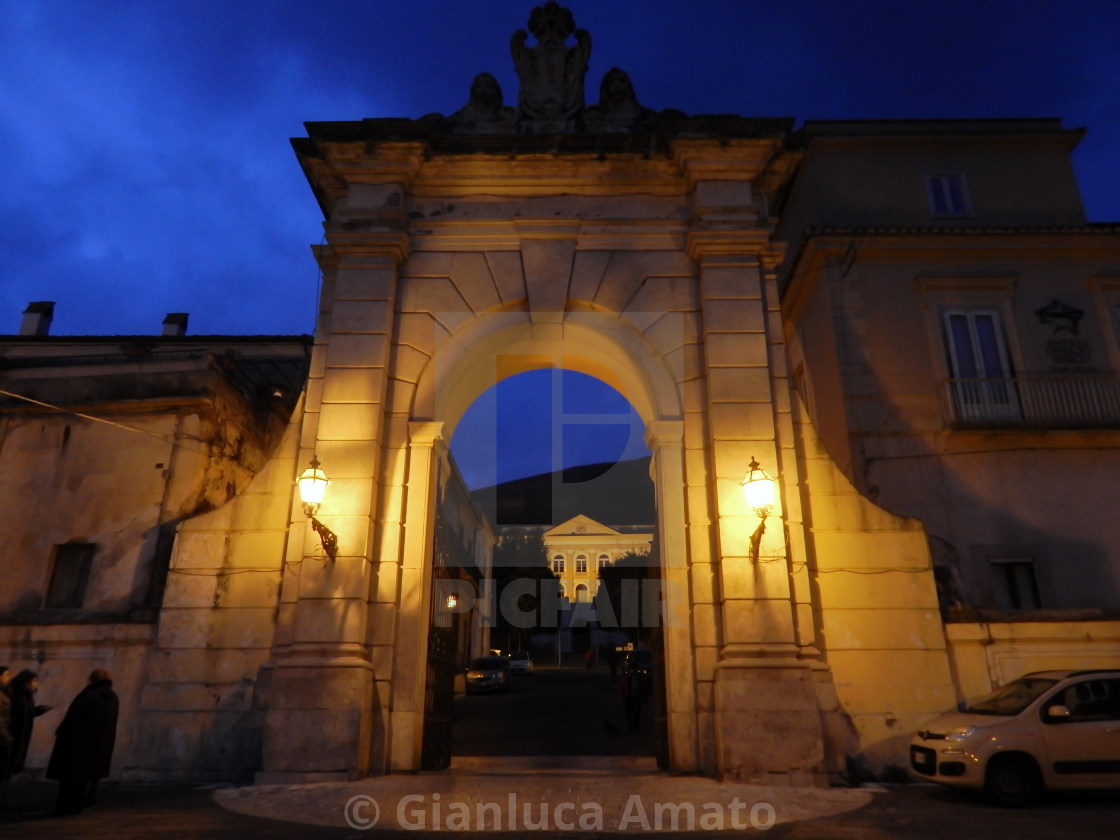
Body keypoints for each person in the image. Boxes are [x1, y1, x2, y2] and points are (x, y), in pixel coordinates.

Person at [47, 668, 119, 816]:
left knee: (69, 778)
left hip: (77, 743)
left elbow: (73, 719)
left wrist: (61, 732)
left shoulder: (88, 695)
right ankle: (79, 803)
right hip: (99, 743)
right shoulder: (112, 697)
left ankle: (64, 806)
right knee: (83, 777)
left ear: (91, 680)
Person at [8, 669, 53, 777]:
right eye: (34, 681)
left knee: (17, 756)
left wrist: (38, 710)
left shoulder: (27, 695)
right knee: (12, 757)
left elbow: (26, 713)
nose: (36, 684)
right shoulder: (17, 695)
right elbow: (16, 714)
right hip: (15, 731)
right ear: (26, 682)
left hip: (23, 731)